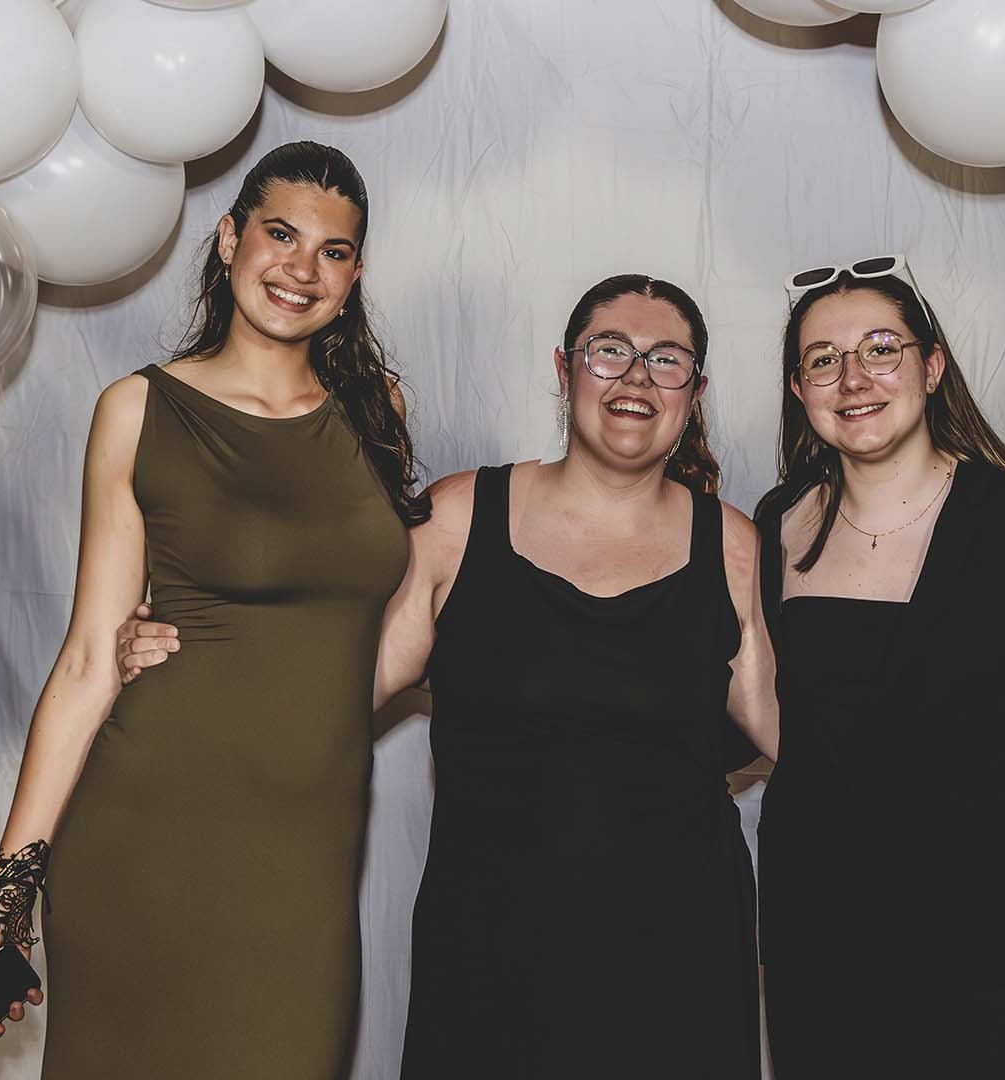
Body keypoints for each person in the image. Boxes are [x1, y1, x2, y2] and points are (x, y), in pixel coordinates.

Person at [118, 275, 777, 1077]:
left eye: (666, 359)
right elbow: (327, 689)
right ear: (565, 367)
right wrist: (184, 649)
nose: (636, 377)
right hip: (491, 964)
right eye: (610, 351)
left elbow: (791, 732)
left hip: (681, 966)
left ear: (694, 391)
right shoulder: (461, 519)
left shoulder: (732, 546)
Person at [0, 141, 423, 1078]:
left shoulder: (378, 413)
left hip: (308, 865)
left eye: (332, 251)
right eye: (280, 235)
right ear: (230, 238)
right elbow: (89, 659)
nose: (302, 269)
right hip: (147, 835)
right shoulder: (139, 409)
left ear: (355, 275)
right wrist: (5, 898)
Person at [754, 257, 1005, 1077]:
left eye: (880, 349)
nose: (853, 378)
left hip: (997, 949)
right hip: (821, 950)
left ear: (931, 367)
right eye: (823, 359)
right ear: (798, 389)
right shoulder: (773, 524)